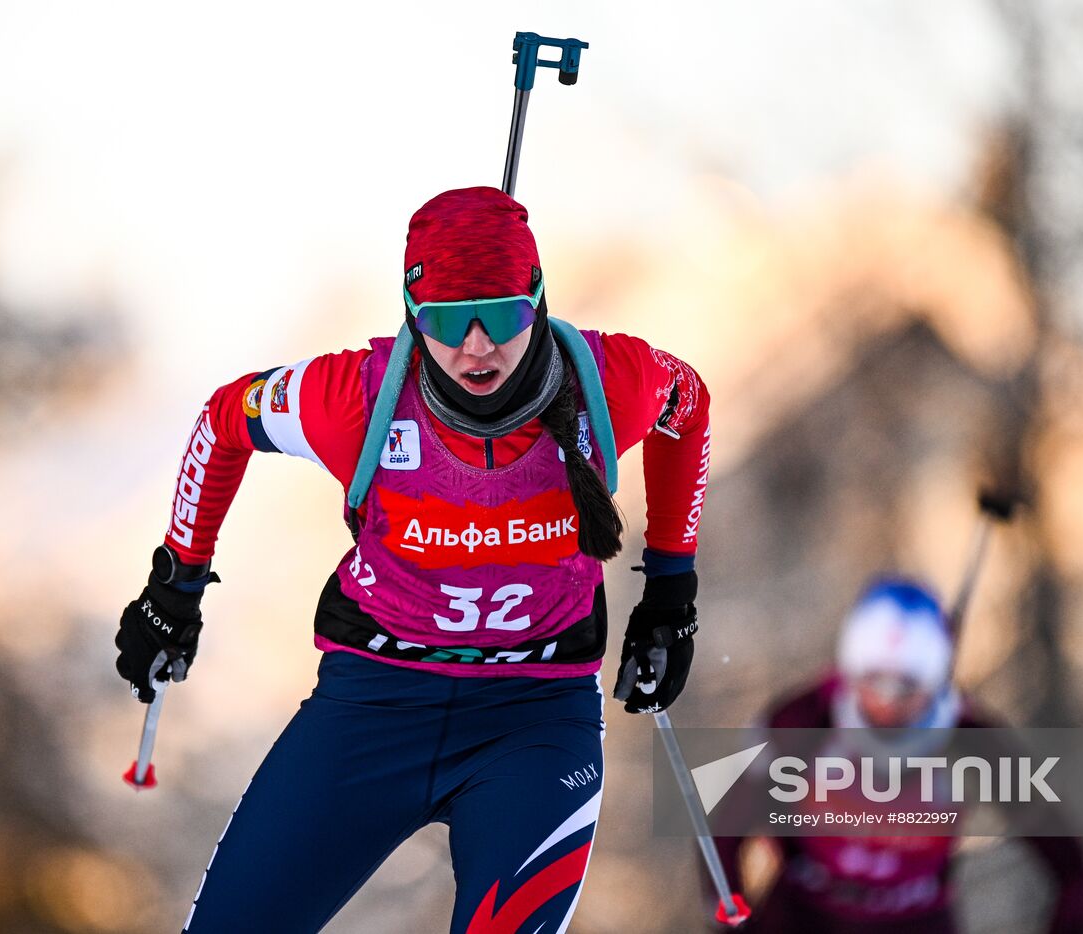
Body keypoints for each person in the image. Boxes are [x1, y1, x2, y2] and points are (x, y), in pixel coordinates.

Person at [114, 187, 712, 933]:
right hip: (372, 705)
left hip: (533, 719)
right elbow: (224, 421)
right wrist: (175, 585)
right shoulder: (351, 399)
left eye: (500, 315)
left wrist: (670, 590)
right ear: (410, 314)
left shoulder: (610, 383)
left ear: (536, 297)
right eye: (445, 322)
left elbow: (689, 405)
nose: (476, 347)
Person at [714, 579, 1083, 933]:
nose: (886, 702)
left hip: (918, 920)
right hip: (802, 917)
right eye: (873, 680)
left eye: (906, 686)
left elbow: (1074, 872)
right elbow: (722, 833)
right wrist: (729, 919)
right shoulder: (801, 720)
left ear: (934, 681)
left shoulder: (970, 739)